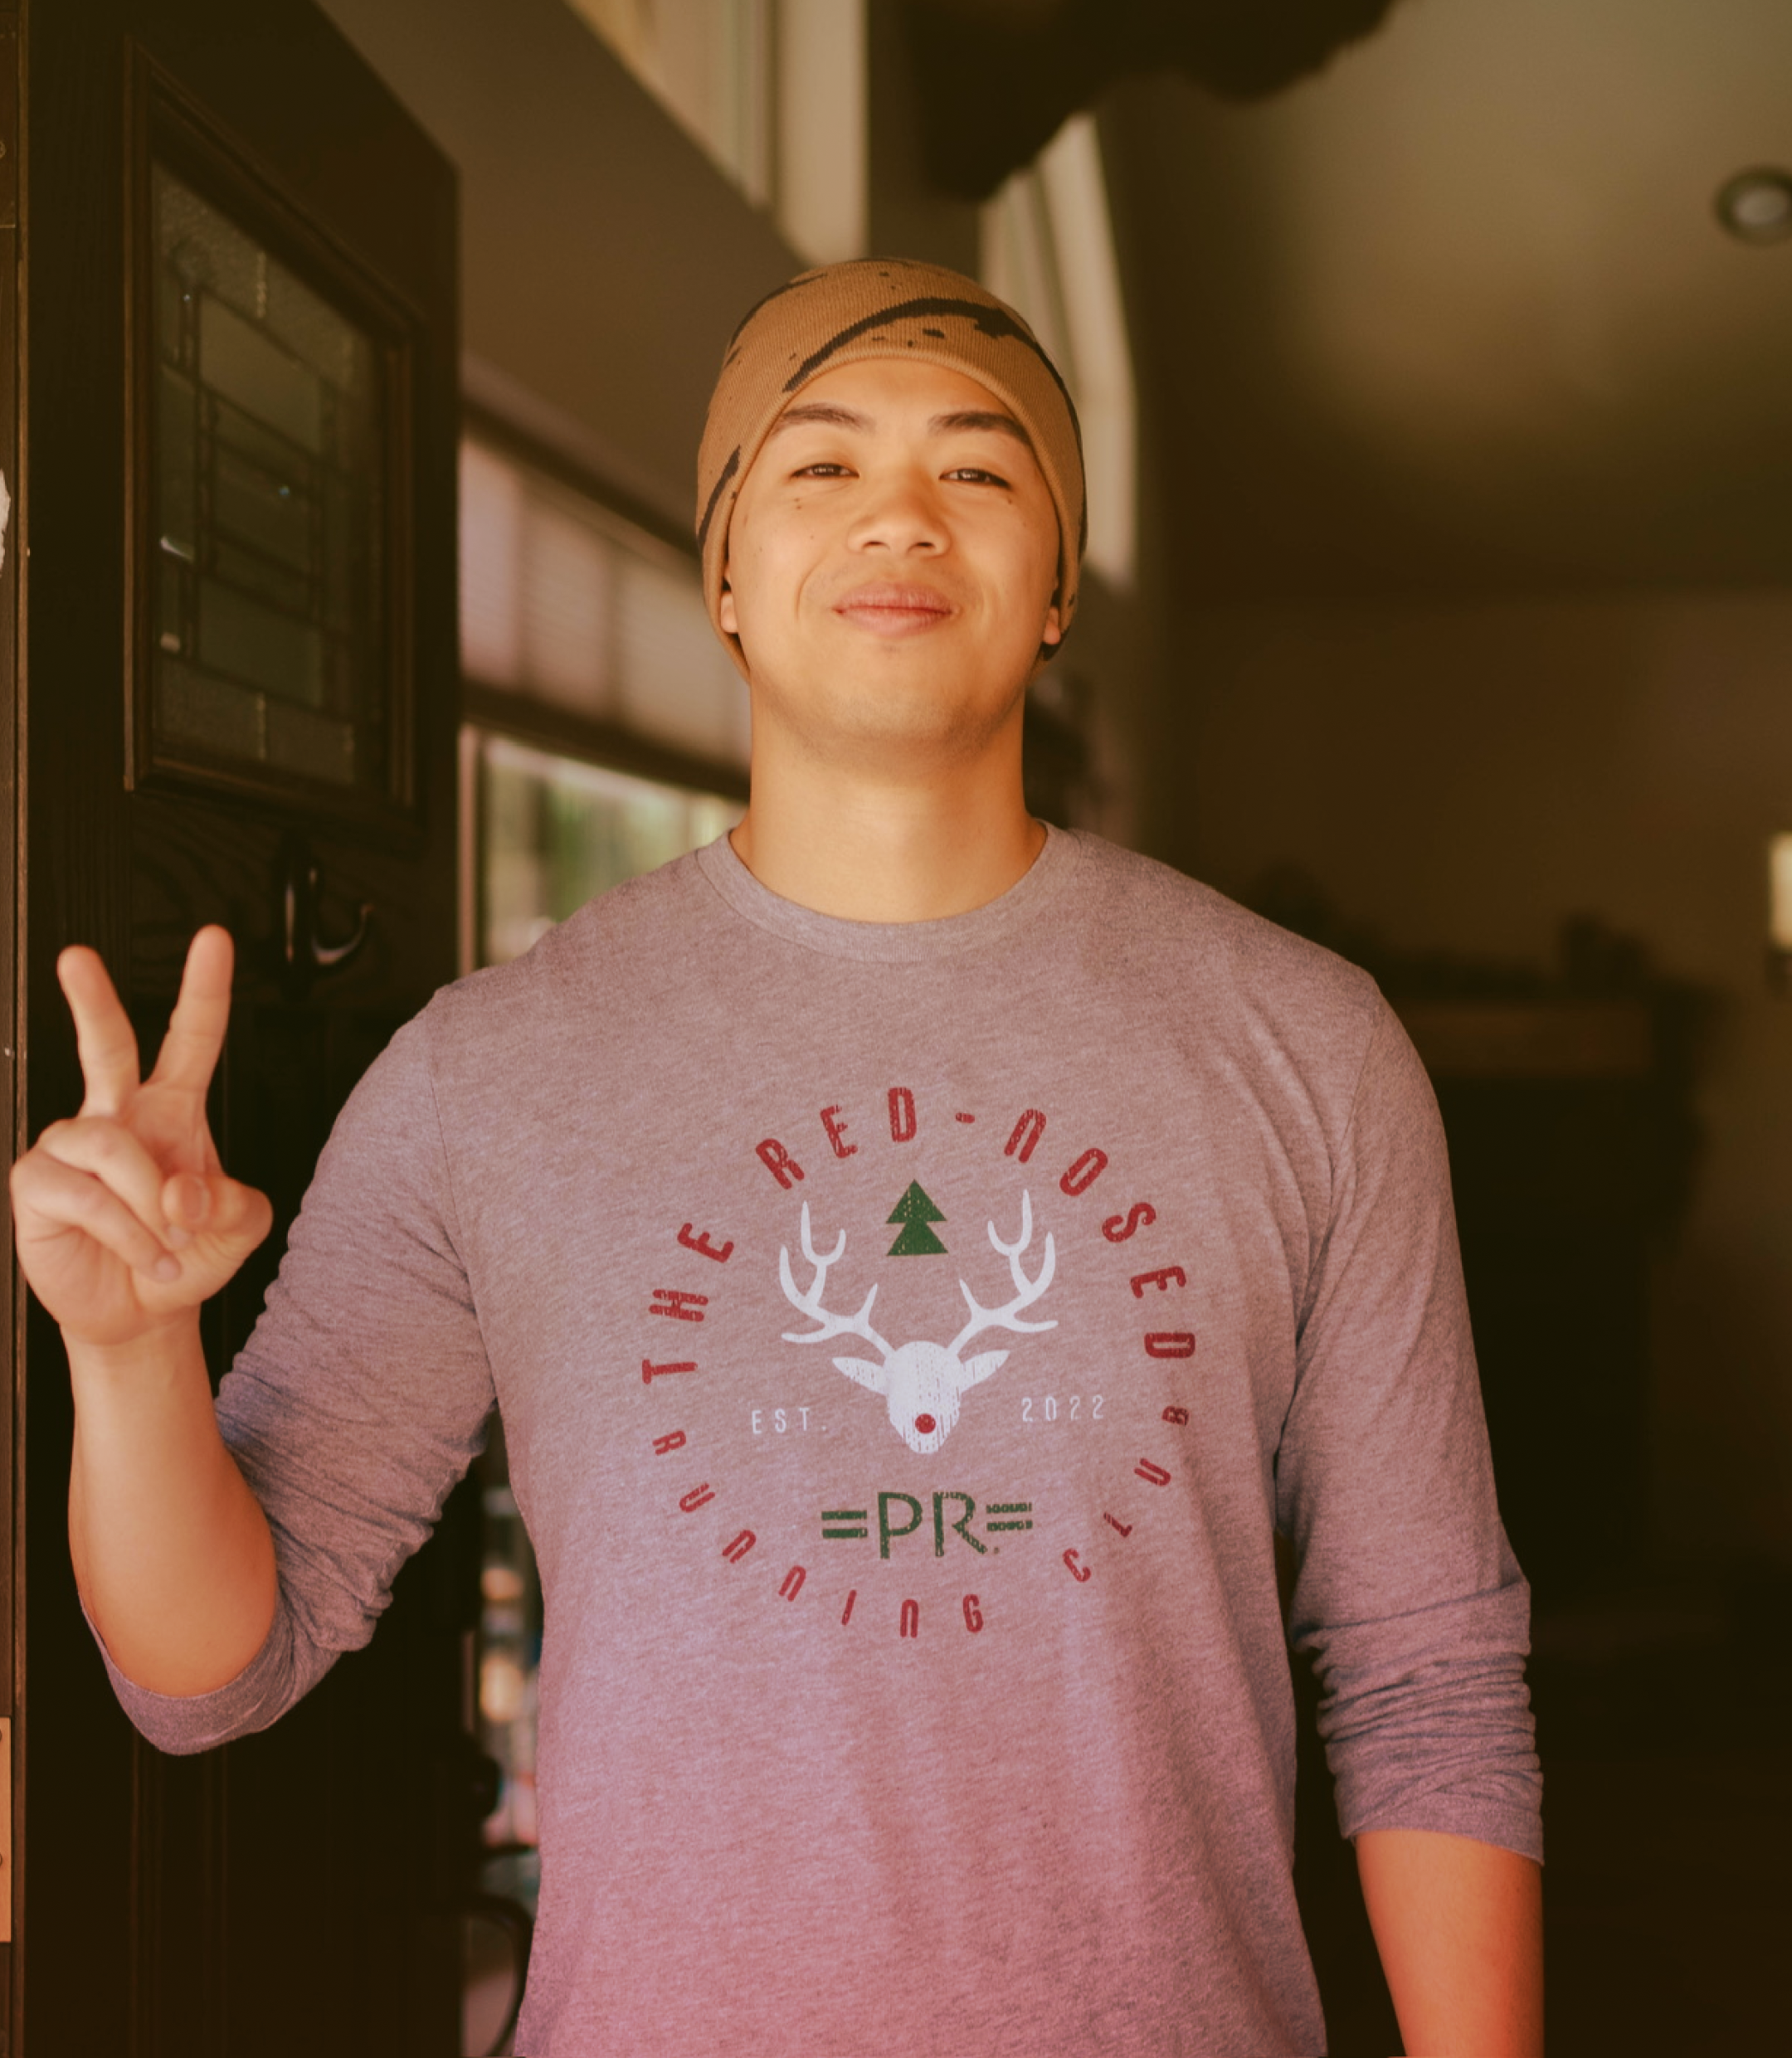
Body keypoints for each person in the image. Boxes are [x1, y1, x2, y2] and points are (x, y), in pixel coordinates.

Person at [10, 258, 1542, 2056]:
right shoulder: (487, 1075)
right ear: (723, 572)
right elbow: (211, 1675)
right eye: (817, 466)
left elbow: (1426, 1673)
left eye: (981, 469)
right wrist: (126, 1356)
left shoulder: (1311, 1046)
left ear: (1058, 586)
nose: (900, 509)